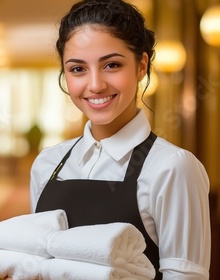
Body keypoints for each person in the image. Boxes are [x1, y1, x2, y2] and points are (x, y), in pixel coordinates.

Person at [27, 0, 211, 279]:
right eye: (78, 69)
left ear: (141, 66)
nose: (96, 84)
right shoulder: (47, 164)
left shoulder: (173, 167)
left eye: (111, 65)